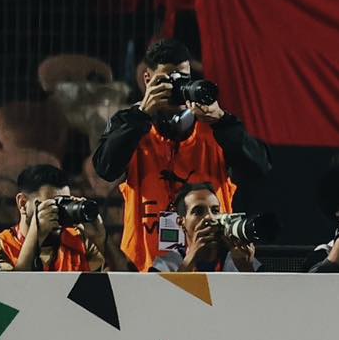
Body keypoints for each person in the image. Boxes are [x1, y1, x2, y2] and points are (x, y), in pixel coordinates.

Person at [93, 37, 271, 270]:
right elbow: (105, 168)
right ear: (147, 80)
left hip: (212, 272)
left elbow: (260, 168)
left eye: (183, 80)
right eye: (167, 80)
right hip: (145, 272)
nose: (177, 88)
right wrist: (142, 115)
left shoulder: (214, 127)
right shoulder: (131, 124)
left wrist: (223, 122)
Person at [0, 164, 130, 272]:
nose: (59, 211)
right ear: (22, 203)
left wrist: (102, 240)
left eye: (64, 203)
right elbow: (7, 292)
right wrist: (34, 235)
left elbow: (124, 289)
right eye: (52, 204)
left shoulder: (79, 241)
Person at [149, 182, 262, 273]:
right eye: (198, 212)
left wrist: (247, 270)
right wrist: (190, 260)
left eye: (215, 211)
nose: (210, 217)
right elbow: (162, 295)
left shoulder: (238, 259)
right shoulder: (166, 265)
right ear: (181, 222)